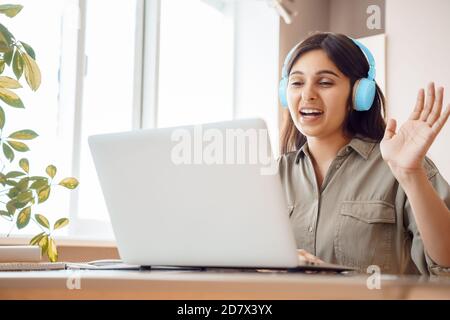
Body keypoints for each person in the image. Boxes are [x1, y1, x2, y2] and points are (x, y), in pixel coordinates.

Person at [277, 32, 450, 275]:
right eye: (297, 83)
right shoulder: (272, 176)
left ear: (359, 94)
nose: (307, 95)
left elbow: (446, 265)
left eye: (325, 82)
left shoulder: (400, 165)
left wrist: (411, 174)